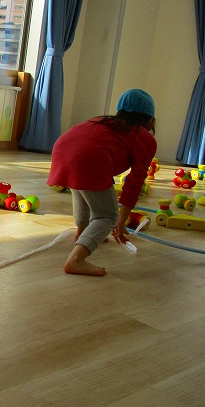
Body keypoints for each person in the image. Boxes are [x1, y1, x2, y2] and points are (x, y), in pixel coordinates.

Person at [47, 88, 157, 277]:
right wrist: (120, 221)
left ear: (119, 112)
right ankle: (76, 260)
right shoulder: (144, 137)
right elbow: (136, 180)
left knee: (81, 188)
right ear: (150, 121)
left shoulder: (104, 121)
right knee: (106, 216)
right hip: (90, 158)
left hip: (63, 149)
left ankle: (83, 232)